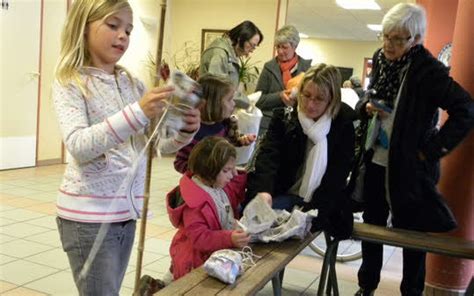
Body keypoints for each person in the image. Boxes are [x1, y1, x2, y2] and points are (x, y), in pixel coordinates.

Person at [52, 1, 200, 294]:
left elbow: (152, 144)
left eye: (129, 30)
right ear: (83, 26)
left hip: (124, 215)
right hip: (88, 217)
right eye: (113, 25)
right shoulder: (70, 81)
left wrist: (184, 131)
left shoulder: (132, 83)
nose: (123, 35)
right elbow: (79, 145)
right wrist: (138, 112)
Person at [354, 3, 474, 296]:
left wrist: (430, 151)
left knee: (413, 237)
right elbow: (371, 97)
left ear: (416, 39)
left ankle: (411, 292)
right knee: (372, 228)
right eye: (386, 36)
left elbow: (465, 109)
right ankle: (366, 287)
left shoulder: (428, 69)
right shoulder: (382, 60)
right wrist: (367, 107)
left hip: (410, 169)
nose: (388, 44)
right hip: (376, 161)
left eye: (398, 39)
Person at [246, 64, 356, 238]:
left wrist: (314, 210)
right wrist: (264, 190)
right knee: (259, 224)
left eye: (319, 99)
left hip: (320, 199)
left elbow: (338, 174)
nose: (310, 104)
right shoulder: (285, 117)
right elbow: (268, 157)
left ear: (332, 100)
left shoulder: (343, 123)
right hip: (284, 192)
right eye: (306, 95)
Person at [168, 136, 249, 280]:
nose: (233, 175)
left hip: (215, 254)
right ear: (209, 170)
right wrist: (229, 238)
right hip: (195, 262)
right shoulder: (193, 203)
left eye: (233, 168)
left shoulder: (218, 185)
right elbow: (200, 238)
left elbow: (237, 184)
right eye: (227, 170)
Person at [174, 75, 256, 173]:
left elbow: (232, 140)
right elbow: (179, 162)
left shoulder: (226, 123)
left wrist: (242, 140)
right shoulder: (191, 131)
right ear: (212, 103)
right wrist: (202, 173)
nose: (234, 104)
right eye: (229, 99)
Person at [255, 25, 312, 136]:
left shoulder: (307, 69)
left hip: (297, 126)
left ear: (294, 46)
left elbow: (311, 100)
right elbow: (259, 100)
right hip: (269, 126)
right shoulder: (269, 67)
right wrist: (280, 96)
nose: (280, 51)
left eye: (284, 47)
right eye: (278, 47)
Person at [200, 20, 264, 109]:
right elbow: (220, 91)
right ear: (240, 38)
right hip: (212, 112)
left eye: (255, 47)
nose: (252, 50)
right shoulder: (220, 54)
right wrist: (248, 103)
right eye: (251, 45)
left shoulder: (229, 52)